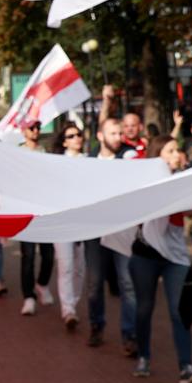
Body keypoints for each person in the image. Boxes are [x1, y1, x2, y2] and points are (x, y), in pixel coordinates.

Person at [125, 136, 192, 383]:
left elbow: (190, 210)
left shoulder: (182, 180)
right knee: (144, 308)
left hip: (175, 256)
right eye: (170, 150)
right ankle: (144, 357)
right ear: (158, 155)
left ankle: (186, 368)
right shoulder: (143, 182)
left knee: (179, 311)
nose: (176, 153)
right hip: (145, 255)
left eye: (177, 149)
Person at [84, 118, 138, 351]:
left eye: (120, 133)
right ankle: (96, 325)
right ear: (100, 136)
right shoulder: (88, 162)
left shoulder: (129, 158)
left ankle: (130, 334)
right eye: (113, 133)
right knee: (95, 283)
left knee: (127, 283)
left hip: (123, 230)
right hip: (95, 231)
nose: (118, 137)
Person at [51, 124, 87, 330]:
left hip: (83, 222)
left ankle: (73, 301)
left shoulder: (88, 162)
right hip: (62, 222)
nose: (76, 139)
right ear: (64, 141)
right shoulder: (57, 163)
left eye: (79, 135)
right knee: (66, 265)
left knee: (80, 268)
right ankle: (68, 310)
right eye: (71, 136)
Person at [17, 121, 55, 315]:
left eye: (38, 128)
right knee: (28, 256)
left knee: (48, 254)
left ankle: (42, 283)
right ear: (24, 131)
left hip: (44, 211)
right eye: (32, 128)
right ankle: (28, 297)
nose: (36, 131)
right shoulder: (17, 153)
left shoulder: (44, 151)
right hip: (26, 212)